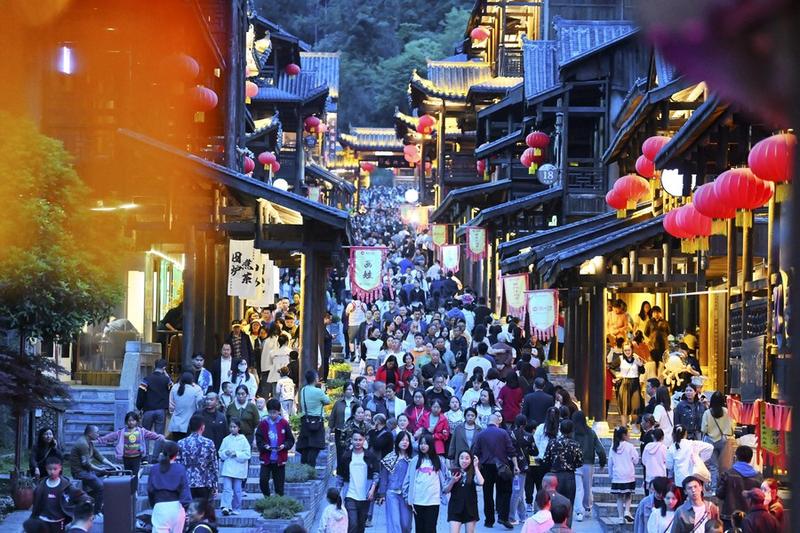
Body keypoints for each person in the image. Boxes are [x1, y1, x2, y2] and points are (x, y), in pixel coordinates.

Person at [473, 412, 519, 529]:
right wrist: (515, 465)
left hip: (486, 467)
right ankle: (503, 517)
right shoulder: (503, 433)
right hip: (502, 466)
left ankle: (489, 520)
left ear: (488, 422)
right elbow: (511, 450)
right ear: (497, 422)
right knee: (505, 491)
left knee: (487, 493)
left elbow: (476, 452)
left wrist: (476, 467)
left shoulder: (481, 434)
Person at [97, 410, 164, 482]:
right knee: (127, 474)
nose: (131, 422)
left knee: (135, 474)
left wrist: (159, 437)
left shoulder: (141, 431)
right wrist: (100, 440)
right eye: (129, 420)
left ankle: (134, 487)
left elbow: (151, 435)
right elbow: (111, 436)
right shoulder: (121, 432)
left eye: (133, 420)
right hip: (126, 457)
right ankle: (128, 487)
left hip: (137, 457)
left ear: (136, 421)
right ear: (126, 422)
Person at [69, 424, 119, 518]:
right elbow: (86, 464)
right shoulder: (83, 444)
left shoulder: (90, 442)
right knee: (101, 487)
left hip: (88, 470)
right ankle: (96, 511)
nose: (98, 434)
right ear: (90, 433)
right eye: (97, 432)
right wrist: (101, 470)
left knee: (112, 470)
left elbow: (99, 456)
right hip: (80, 472)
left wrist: (112, 465)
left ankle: (96, 499)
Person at [403, 433, 450, 532]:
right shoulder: (415, 461)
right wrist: (407, 496)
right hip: (418, 500)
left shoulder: (438, 460)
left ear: (431, 445)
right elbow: (407, 479)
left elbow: (447, 476)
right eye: (421, 443)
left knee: (430, 528)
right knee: (419, 528)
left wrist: (445, 489)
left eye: (426, 443)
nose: (423, 446)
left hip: (433, 501)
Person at [337, 429, 380, 533]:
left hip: (365, 495)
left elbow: (376, 475)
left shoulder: (370, 456)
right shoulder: (346, 456)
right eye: (355, 440)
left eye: (360, 440)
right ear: (351, 440)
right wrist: (338, 494)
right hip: (350, 495)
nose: (358, 442)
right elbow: (340, 476)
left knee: (361, 524)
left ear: (364, 440)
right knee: (352, 523)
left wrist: (372, 490)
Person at [28, 456, 85, 533]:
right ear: (46, 468)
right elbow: (36, 500)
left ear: (60, 468)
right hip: (43, 519)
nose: (52, 472)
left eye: (55, 469)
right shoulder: (42, 485)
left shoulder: (65, 485)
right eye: (50, 469)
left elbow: (78, 494)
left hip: (59, 521)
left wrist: (86, 500)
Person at [147, 440, 192, 533]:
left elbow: (150, 490)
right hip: (177, 507)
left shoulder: (154, 469)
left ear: (162, 452)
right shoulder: (180, 469)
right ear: (176, 454)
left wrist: (154, 505)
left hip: (160, 506)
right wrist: (187, 508)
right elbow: (185, 490)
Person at [255, 398, 295, 497]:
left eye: (275, 412)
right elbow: (259, 439)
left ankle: (278, 501)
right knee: (263, 480)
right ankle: (267, 497)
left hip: (280, 459)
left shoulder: (284, 423)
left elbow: (290, 439)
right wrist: (264, 446)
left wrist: (284, 446)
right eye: (270, 412)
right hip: (266, 458)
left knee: (279, 486)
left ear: (279, 411)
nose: (272, 415)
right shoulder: (263, 423)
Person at [716, 446, 763, 528]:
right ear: (750, 459)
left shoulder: (727, 474)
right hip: (750, 518)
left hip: (729, 517)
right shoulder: (758, 477)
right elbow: (760, 498)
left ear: (736, 457)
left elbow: (719, 494)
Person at [571, 411, 606, 522]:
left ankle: (579, 511)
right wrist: (602, 462)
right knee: (588, 487)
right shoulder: (591, 433)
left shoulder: (572, 433)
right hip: (588, 463)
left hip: (575, 464)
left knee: (578, 488)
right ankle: (588, 508)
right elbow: (600, 449)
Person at [542, 419, 583, 509]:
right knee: (569, 504)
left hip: (555, 475)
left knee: (554, 503)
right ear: (572, 430)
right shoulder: (575, 444)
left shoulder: (552, 442)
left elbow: (545, 460)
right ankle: (568, 518)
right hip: (569, 476)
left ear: (560, 430)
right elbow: (579, 462)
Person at [377, 431, 413, 533]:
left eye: (407, 440)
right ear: (397, 442)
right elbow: (384, 476)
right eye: (402, 440)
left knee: (406, 524)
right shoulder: (389, 458)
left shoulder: (412, 459)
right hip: (392, 493)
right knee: (395, 522)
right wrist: (382, 494)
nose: (404, 442)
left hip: (406, 495)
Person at [177, 415, 218, 501]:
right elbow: (213, 465)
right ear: (202, 427)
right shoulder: (209, 443)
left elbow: (178, 465)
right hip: (204, 482)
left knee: (187, 508)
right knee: (202, 508)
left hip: (186, 481)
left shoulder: (181, 443)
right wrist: (215, 485)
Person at [137, 358, 172, 457]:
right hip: (161, 411)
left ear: (154, 367)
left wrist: (139, 407)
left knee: (146, 433)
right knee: (159, 434)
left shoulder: (146, 379)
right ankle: (155, 457)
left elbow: (141, 394)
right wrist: (167, 376)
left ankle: (145, 456)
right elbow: (172, 390)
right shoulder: (166, 380)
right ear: (164, 368)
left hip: (148, 410)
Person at [296, 370, 331, 467]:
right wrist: (323, 391)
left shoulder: (303, 390)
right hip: (317, 421)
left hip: (305, 420)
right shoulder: (318, 391)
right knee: (314, 447)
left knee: (305, 447)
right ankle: (310, 468)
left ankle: (304, 469)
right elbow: (327, 401)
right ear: (315, 379)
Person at [701, 391, 734, 491]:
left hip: (710, 441)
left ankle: (714, 488)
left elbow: (704, 429)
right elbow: (731, 428)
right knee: (725, 466)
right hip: (723, 440)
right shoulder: (727, 411)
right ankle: (724, 488)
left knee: (713, 466)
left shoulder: (707, 413)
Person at [445, 451, 484, 533]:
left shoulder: (473, 473)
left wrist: (476, 466)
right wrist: (452, 481)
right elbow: (445, 490)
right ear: (458, 459)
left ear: (471, 460)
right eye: (462, 458)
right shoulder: (453, 472)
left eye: (467, 458)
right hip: (455, 507)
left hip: (470, 507)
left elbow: (481, 482)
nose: (464, 461)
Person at [218, 418, 250, 516]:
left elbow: (247, 454)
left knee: (237, 490)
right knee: (227, 489)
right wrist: (225, 453)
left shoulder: (243, 439)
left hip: (239, 469)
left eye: (234, 427)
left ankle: (236, 507)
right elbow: (220, 452)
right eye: (231, 427)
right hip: (228, 468)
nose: (232, 429)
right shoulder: (226, 439)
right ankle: (226, 507)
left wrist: (236, 454)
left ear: (239, 428)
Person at [608, 426, 640, 523]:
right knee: (628, 495)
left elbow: (610, 462)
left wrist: (611, 475)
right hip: (628, 475)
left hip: (618, 475)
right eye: (628, 433)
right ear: (624, 435)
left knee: (619, 497)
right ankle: (627, 511)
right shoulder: (630, 446)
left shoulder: (613, 447)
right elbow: (636, 460)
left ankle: (620, 517)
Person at [509, 414, 535, 525]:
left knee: (517, 491)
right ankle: (511, 517)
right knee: (517, 492)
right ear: (525, 424)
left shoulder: (509, 434)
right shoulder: (529, 436)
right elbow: (535, 451)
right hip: (522, 466)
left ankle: (522, 515)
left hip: (510, 465)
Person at [329, 381, 359, 468]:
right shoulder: (338, 403)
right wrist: (329, 429)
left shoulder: (357, 402)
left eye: (350, 389)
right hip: (340, 430)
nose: (349, 391)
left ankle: (350, 470)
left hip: (352, 431)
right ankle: (340, 470)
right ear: (344, 391)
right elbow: (333, 416)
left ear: (353, 391)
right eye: (347, 389)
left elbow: (360, 415)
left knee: (351, 451)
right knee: (340, 452)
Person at [614, 342, 644, 427]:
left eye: (629, 350)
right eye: (625, 350)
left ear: (632, 349)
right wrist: (617, 375)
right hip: (624, 383)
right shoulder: (620, 358)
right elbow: (611, 367)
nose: (627, 352)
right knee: (624, 407)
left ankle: (634, 425)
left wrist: (640, 364)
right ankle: (624, 427)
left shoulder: (636, 358)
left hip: (635, 382)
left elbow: (642, 371)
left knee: (635, 406)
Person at [168, 372, 204, 441]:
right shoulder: (196, 389)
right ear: (192, 380)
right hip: (189, 424)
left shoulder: (174, 388)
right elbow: (199, 406)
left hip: (175, 423)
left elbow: (171, 406)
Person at [266, 334, 292, 399]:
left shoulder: (272, 352)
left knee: (276, 395)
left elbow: (270, 363)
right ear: (287, 342)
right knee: (287, 395)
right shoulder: (290, 352)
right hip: (287, 376)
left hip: (275, 375)